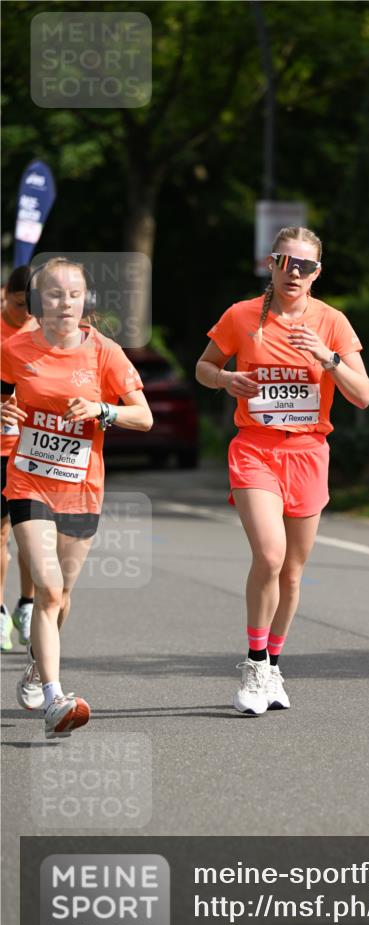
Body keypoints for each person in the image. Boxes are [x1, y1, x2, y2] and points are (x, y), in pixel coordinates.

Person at [196, 227, 369, 715]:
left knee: (292, 572)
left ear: (317, 273)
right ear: (270, 264)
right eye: (285, 262)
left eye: (305, 266)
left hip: (309, 453)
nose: (294, 272)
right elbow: (203, 367)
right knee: (270, 556)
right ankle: (254, 665)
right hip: (255, 448)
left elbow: (362, 395)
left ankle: (273, 664)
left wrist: (327, 357)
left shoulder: (332, 322)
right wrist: (225, 378)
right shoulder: (241, 315)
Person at [0, 257, 153, 738]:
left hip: (82, 488)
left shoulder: (105, 353)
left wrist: (102, 410)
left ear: (86, 299)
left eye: (73, 294)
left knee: (62, 596)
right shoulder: (15, 348)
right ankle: (55, 699)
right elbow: (3, 396)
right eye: (53, 294)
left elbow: (143, 416)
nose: (64, 303)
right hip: (28, 481)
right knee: (47, 589)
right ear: (37, 300)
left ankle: (35, 667)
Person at [1, 265, 39, 651]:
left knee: (31, 537)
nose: (24, 313)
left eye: (31, 305)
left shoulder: (42, 333)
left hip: (31, 451)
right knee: (0, 533)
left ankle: (26, 605)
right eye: (17, 304)